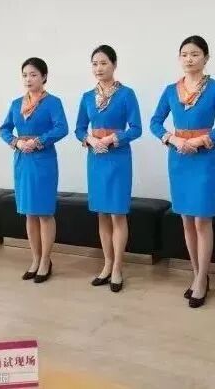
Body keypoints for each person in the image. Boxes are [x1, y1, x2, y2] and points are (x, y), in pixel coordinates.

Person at [150, 35, 215, 308]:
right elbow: (154, 122)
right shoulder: (170, 90)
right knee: (187, 219)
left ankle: (202, 277)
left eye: (195, 54)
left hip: (204, 158)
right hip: (179, 158)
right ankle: (197, 273)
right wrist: (172, 139)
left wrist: (202, 140)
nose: (189, 59)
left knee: (202, 220)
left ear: (206, 58)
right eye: (185, 54)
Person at [75, 45, 142, 292]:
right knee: (101, 213)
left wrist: (113, 139)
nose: (98, 68)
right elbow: (79, 129)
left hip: (118, 158)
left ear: (114, 64)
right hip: (96, 158)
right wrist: (90, 140)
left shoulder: (127, 94)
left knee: (117, 213)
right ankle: (107, 264)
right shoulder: (86, 97)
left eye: (103, 63)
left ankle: (118, 268)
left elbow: (136, 128)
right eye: (94, 64)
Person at [0, 57, 68, 283]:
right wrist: (16, 142)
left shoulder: (53, 102)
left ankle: (46, 261)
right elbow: (4, 129)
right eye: (25, 75)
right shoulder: (16, 103)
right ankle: (35, 259)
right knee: (29, 212)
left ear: (44, 77)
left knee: (45, 212)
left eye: (33, 75)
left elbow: (62, 128)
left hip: (43, 160)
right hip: (23, 160)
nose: (28, 79)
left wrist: (39, 141)